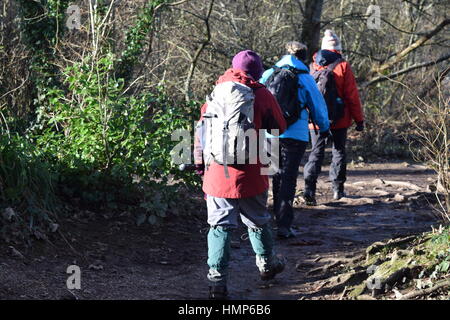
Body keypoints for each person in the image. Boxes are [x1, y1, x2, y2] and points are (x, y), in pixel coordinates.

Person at [194, 50, 287, 300]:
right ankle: (267, 265)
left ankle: (216, 280)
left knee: (219, 226)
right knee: (258, 220)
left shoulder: (215, 93)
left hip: (217, 173)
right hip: (252, 172)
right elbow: (280, 126)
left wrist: (200, 165)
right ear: (257, 72)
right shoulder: (261, 93)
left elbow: (201, 132)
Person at [260, 42, 330, 239]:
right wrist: (324, 128)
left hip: (271, 133)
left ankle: (270, 221)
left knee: (274, 175)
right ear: (304, 57)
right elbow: (318, 106)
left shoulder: (268, 74)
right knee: (288, 179)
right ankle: (284, 225)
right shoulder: (305, 78)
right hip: (295, 135)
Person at [303, 30, 365, 205]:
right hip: (340, 118)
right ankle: (338, 190)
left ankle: (309, 190)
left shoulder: (313, 65)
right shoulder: (343, 65)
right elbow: (352, 95)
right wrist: (359, 120)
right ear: (338, 47)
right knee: (338, 152)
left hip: (315, 119)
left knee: (316, 153)